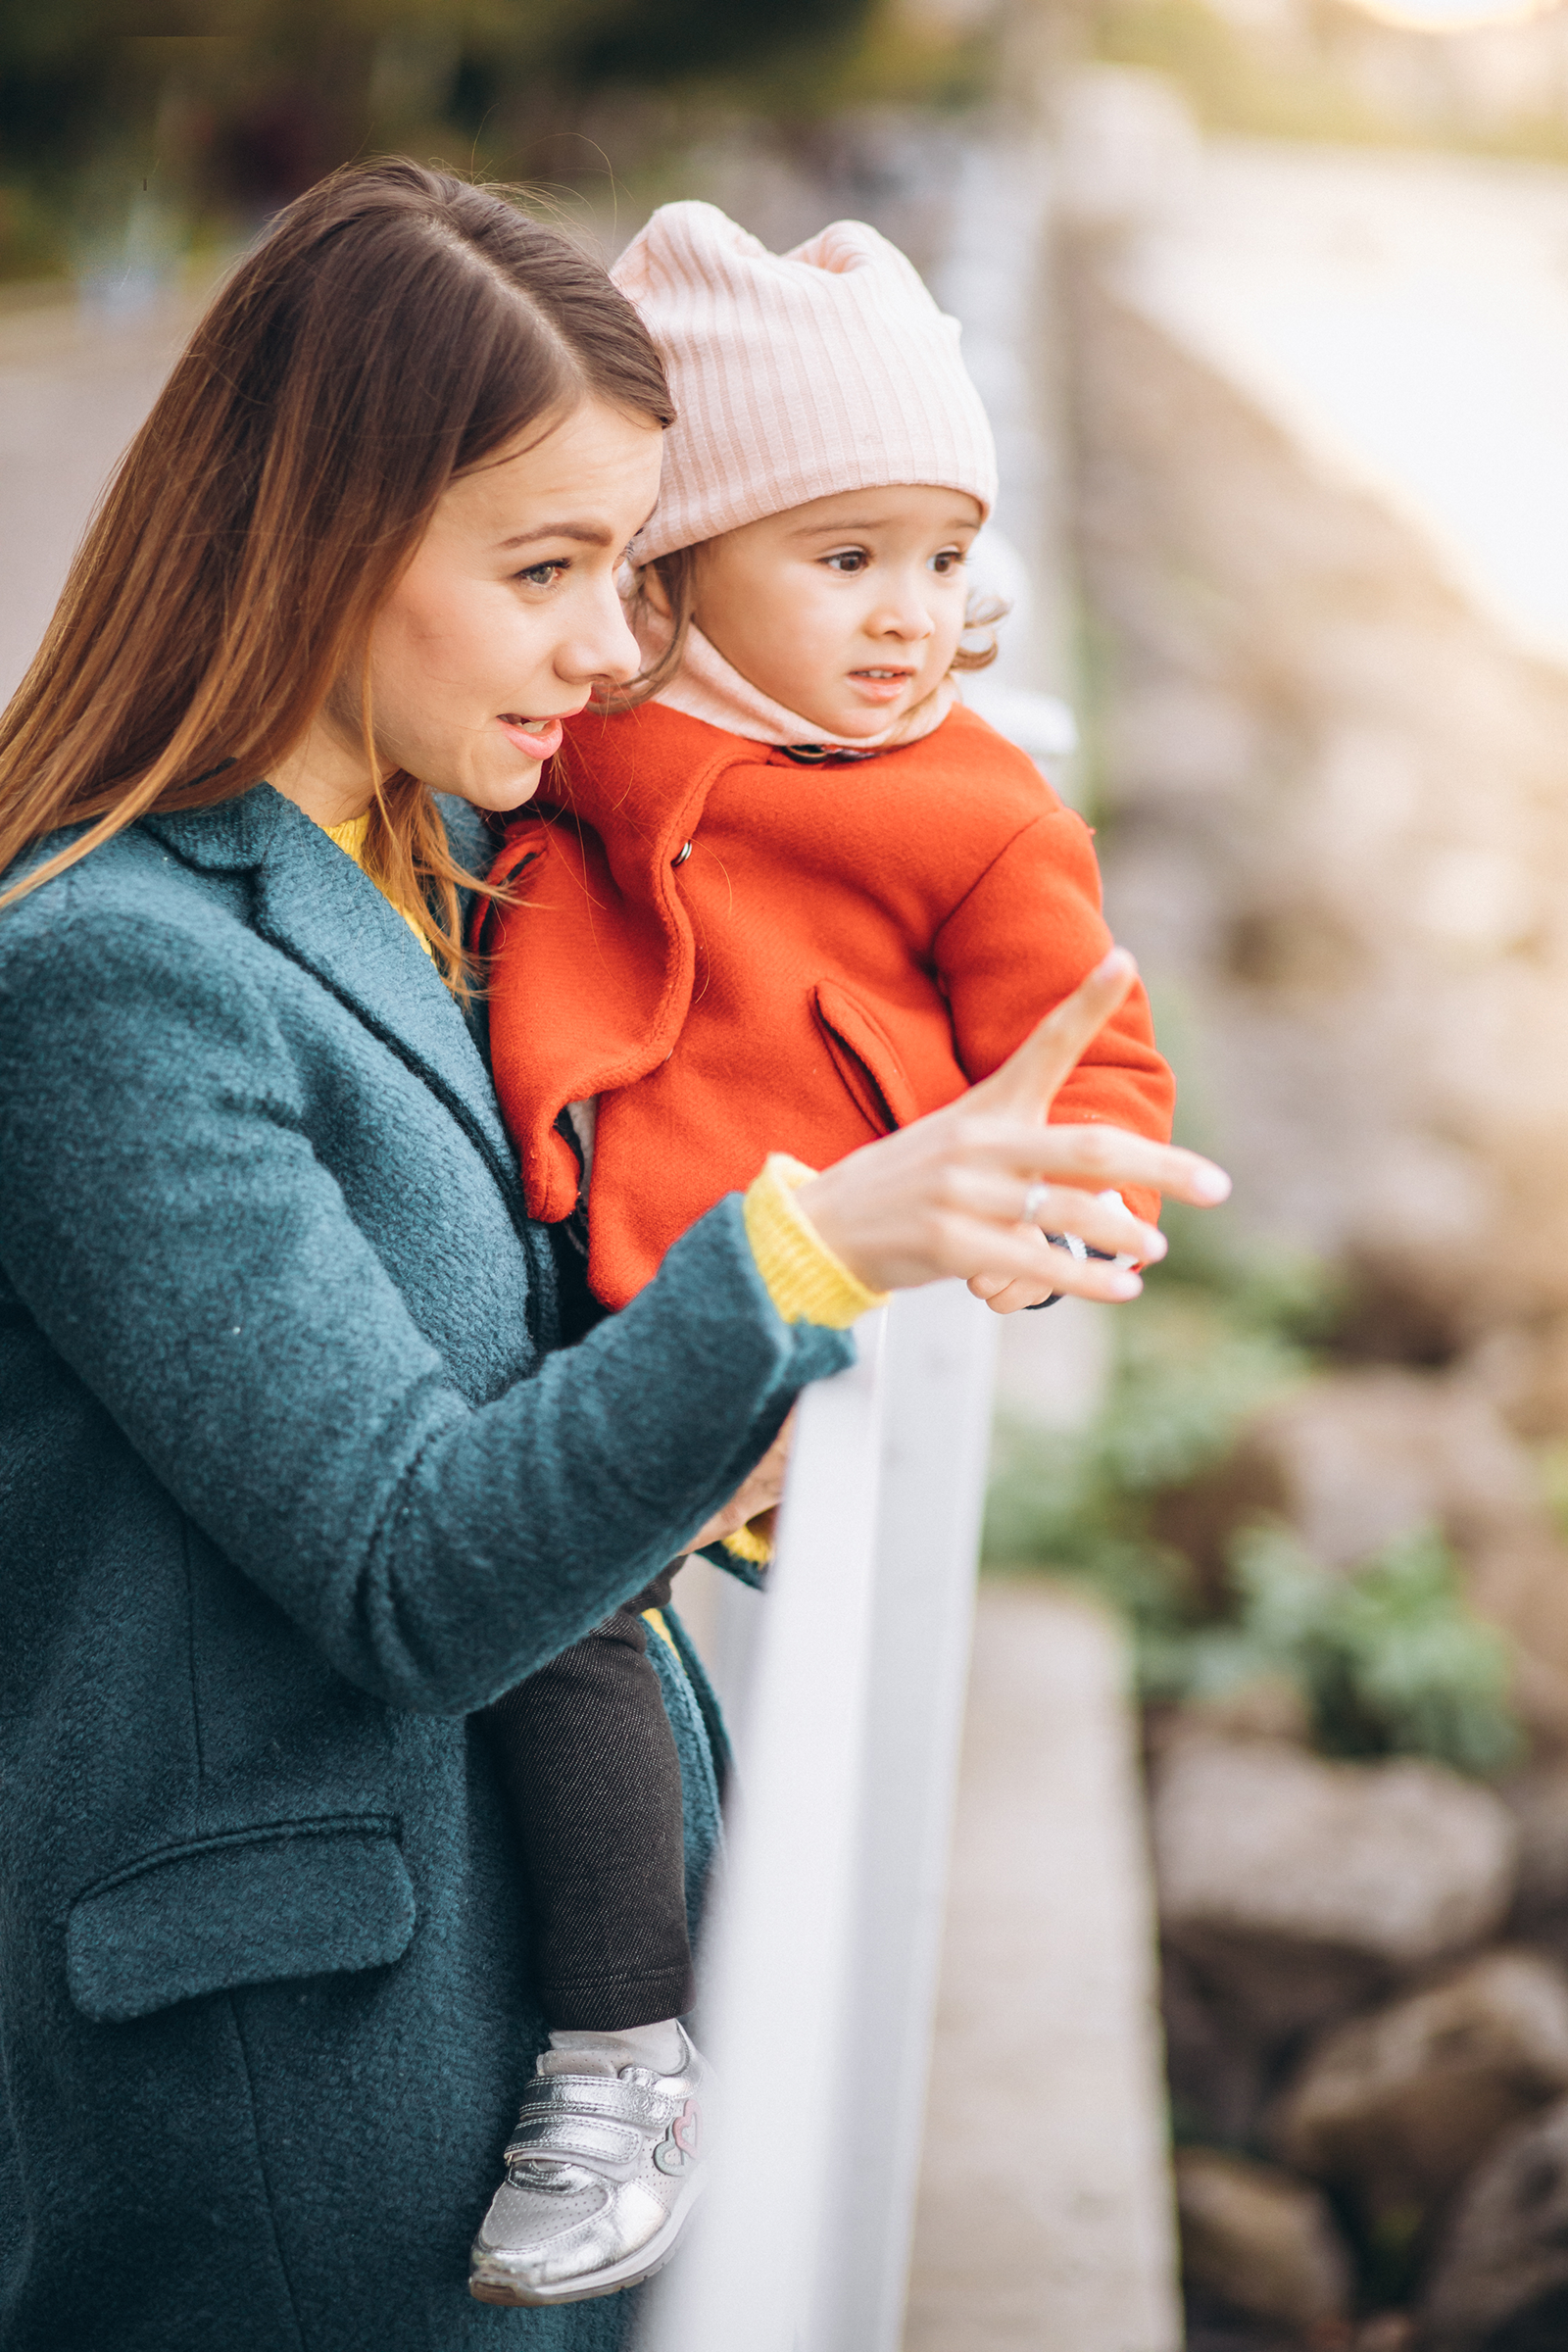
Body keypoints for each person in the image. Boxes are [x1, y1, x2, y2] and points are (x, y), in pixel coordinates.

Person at [0, 159, 1228, 2352]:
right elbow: (404, 1566)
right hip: (304, 2092)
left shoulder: (437, 858)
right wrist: (810, 1255)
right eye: (549, 567)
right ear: (318, 540)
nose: (610, 643)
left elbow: (778, 831)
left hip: (494, 2009)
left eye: (635, 567)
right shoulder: (108, 983)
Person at [467, 203, 1178, 2306]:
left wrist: (1060, 1209)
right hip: (582, 1272)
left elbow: (1093, 1062)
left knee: (561, 1612)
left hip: (773, 1310)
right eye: (841, 557)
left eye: (943, 562)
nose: (906, 617)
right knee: (541, 1602)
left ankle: (619, 2051)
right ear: (675, 574)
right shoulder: (587, 723)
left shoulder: (964, 808)